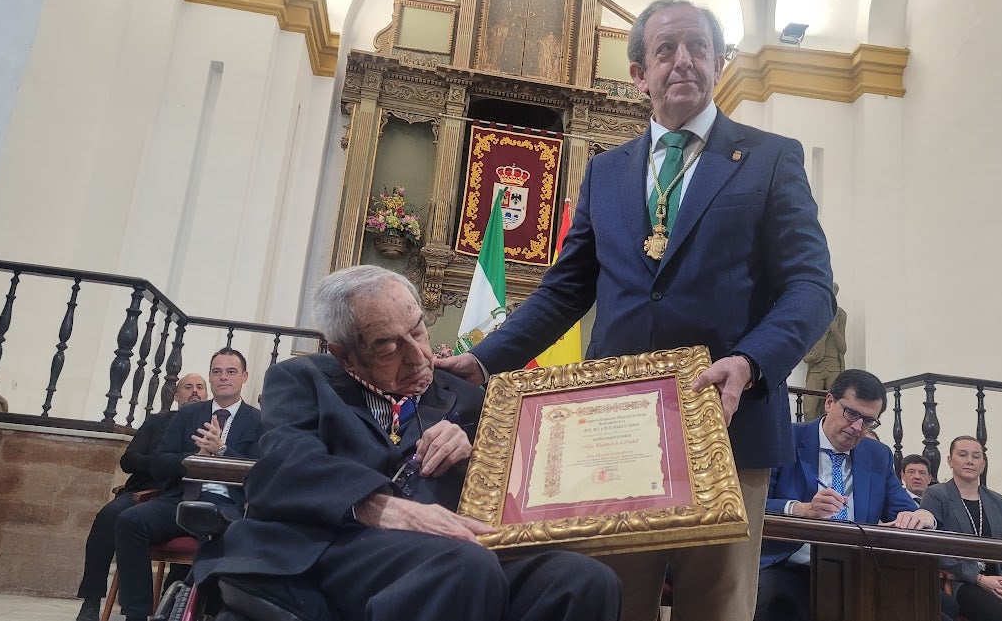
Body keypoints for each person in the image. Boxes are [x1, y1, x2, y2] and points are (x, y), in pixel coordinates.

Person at [438, 0, 834, 621]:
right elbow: (565, 289)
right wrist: (485, 360)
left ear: (719, 62)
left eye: (699, 47)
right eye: (666, 49)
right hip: (612, 430)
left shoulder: (769, 157)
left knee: (717, 607)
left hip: (726, 421)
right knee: (610, 601)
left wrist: (750, 361)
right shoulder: (606, 172)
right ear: (639, 73)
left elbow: (812, 286)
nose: (684, 60)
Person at [192, 266, 621, 621]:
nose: (418, 357)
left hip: (452, 553)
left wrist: (476, 450)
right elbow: (288, 464)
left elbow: (518, 476)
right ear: (345, 354)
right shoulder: (303, 380)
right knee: (464, 566)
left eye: (418, 331)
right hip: (335, 545)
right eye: (387, 347)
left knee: (585, 580)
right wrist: (383, 507)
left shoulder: (465, 396)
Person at [757, 369, 936, 621]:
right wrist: (801, 510)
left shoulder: (878, 455)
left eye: (868, 421)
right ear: (829, 402)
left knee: (924, 609)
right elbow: (754, 506)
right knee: (769, 600)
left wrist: (924, 516)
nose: (857, 427)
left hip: (858, 570)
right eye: (851, 414)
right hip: (790, 565)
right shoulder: (786, 439)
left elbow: (904, 509)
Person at [112, 349, 263, 621]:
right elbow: (159, 464)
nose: (223, 377)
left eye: (231, 372)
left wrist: (222, 451)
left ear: (244, 377)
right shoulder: (187, 415)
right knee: (130, 521)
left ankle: (209, 613)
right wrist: (195, 457)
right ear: (210, 377)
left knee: (230, 539)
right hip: (180, 499)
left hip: (228, 506)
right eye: (217, 372)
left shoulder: (259, 421)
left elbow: (261, 471)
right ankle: (137, 613)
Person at [72, 373, 207, 621]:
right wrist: (164, 463)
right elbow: (129, 460)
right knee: (108, 516)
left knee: (192, 520)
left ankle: (170, 603)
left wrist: (168, 463)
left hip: (181, 493)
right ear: (177, 395)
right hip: (144, 489)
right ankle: (91, 599)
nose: (195, 391)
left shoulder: (210, 426)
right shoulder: (157, 421)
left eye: (200, 387)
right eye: (188, 387)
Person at [921, 436, 1002, 621]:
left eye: (976, 456)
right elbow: (934, 548)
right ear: (950, 461)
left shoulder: (998, 501)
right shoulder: (937, 494)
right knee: (997, 614)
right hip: (961, 581)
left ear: (983, 464)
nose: (970, 461)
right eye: (962, 454)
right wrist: (979, 579)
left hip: (999, 579)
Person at [802, 283, 847, 420]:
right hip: (817, 367)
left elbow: (843, 348)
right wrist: (825, 334)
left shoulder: (840, 314)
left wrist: (834, 330)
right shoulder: (814, 313)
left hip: (834, 367)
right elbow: (808, 346)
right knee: (809, 409)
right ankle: (810, 431)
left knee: (834, 407)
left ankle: (829, 432)